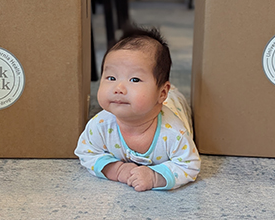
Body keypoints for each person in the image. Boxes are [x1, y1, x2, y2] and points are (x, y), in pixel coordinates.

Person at [75, 26, 201, 191]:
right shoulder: (100, 125)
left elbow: (189, 164)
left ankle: (172, 95)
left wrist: (155, 177)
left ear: (162, 92)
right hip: (157, 99)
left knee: (176, 99)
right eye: (111, 77)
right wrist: (117, 169)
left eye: (134, 79)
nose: (118, 88)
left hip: (172, 103)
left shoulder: (174, 134)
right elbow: (86, 152)